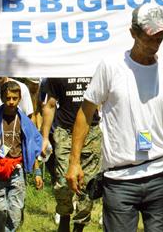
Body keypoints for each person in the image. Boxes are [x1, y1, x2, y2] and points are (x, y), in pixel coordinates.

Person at [66, 3, 163, 231]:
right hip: (119, 180)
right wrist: (74, 162)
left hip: (159, 174)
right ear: (133, 33)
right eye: (150, 35)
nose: (156, 40)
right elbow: (85, 114)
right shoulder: (111, 67)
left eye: (160, 34)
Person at [41, 77, 101, 232]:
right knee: (63, 180)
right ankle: (64, 218)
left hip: (91, 131)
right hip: (65, 132)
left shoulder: (93, 68)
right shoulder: (59, 70)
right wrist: (45, 137)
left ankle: (79, 226)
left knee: (89, 182)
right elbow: (50, 104)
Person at [0, 81, 43, 232]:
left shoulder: (25, 122)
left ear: (19, 98)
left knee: (15, 211)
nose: (11, 102)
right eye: (8, 98)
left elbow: (31, 148)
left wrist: (37, 172)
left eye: (14, 98)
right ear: (2, 98)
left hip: (17, 170)